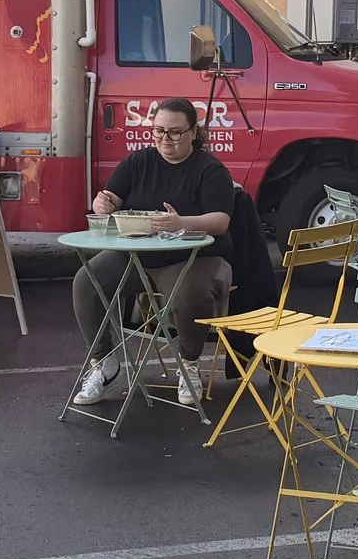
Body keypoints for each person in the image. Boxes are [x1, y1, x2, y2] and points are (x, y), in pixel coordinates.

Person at [74, 98, 237, 408]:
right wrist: (102, 203)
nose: (165, 139)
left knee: (190, 293)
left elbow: (221, 221)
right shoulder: (139, 161)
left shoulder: (210, 169)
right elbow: (110, 199)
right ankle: (104, 363)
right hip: (138, 253)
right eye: (158, 131)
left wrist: (181, 222)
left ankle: (189, 364)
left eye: (175, 132)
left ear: (193, 132)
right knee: (86, 281)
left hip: (194, 256)